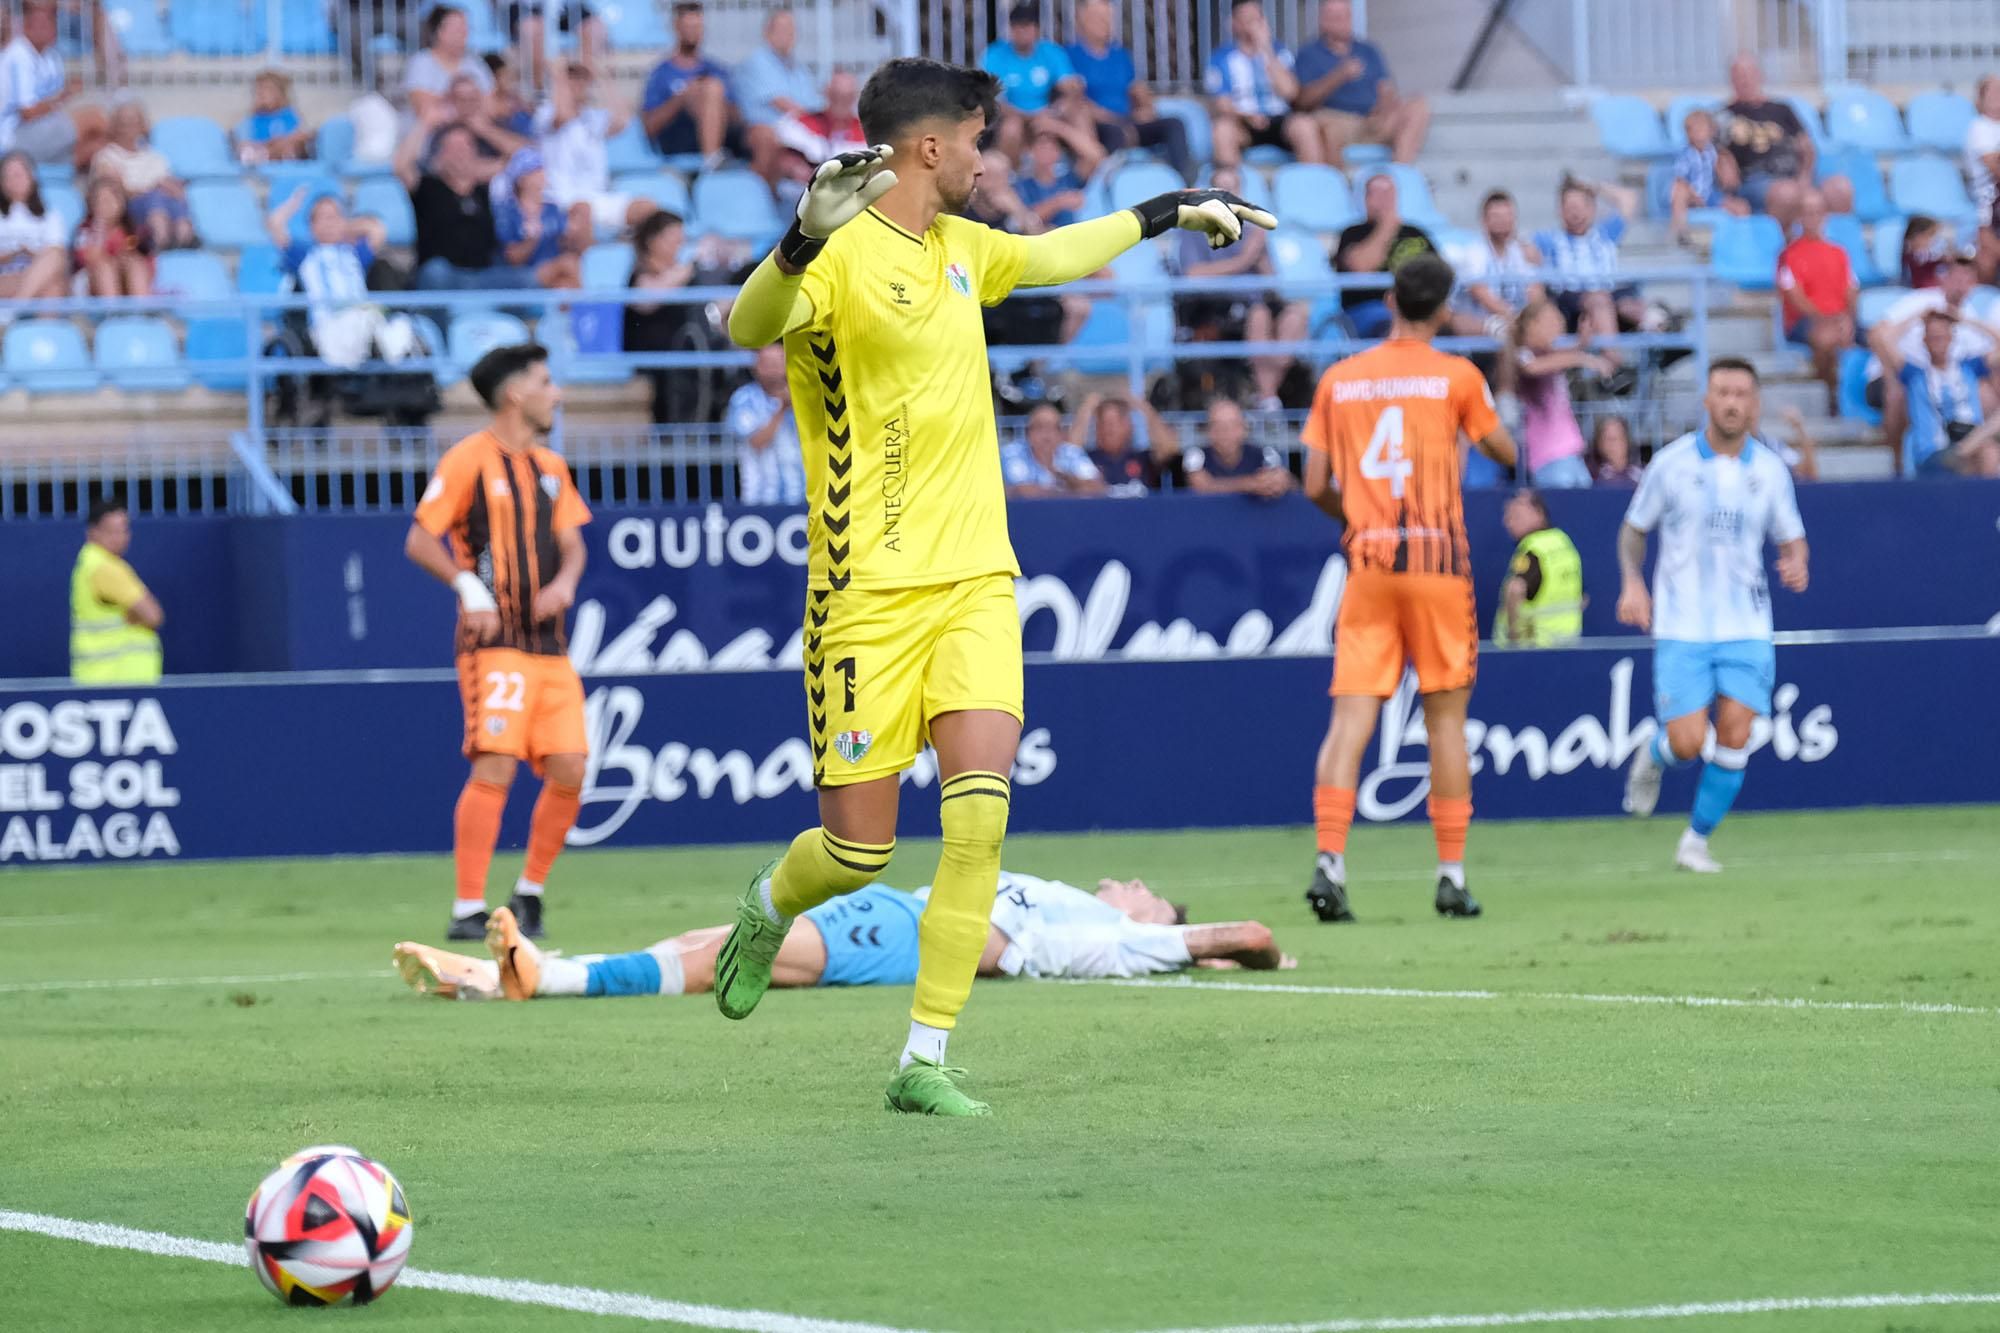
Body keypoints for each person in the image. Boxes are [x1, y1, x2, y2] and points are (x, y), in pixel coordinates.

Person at [720, 56, 1273, 1115]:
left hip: (975, 577)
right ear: (930, 146)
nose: (987, 159)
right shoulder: (834, 252)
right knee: (855, 849)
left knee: (978, 823)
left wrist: (1160, 211)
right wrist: (796, 240)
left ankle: (920, 1058)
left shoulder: (965, 248)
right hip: (864, 593)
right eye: (977, 140)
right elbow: (746, 325)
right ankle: (765, 904)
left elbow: (1055, 252)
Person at [1298, 253, 1518, 922]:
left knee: (1351, 718)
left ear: (1392, 299)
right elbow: (1506, 451)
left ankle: (1330, 862)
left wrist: (1358, 517)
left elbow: (1313, 483)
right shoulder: (1455, 375)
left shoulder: (1341, 377)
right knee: (1445, 719)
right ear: (1445, 308)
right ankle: (1450, 874)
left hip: (1369, 563)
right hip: (1437, 561)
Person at [394, 871, 1291, 1003]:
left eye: (1147, 892)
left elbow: (1247, 931)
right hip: (904, 912)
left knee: (734, 942)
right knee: (717, 940)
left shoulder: (1115, 936)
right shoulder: (1081, 901)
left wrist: (1249, 952)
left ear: (1152, 917)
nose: (1127, 880)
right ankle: (527, 976)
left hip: (919, 931)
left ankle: (542, 978)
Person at [404, 344, 591, 940]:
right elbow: (419, 539)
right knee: (496, 765)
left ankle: (529, 893)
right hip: (495, 644)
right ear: (516, 394)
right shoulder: (468, 461)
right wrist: (468, 587)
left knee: (571, 767)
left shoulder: (551, 468)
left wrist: (564, 583)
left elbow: (575, 543)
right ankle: (466, 908)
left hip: (549, 646)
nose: (555, 392)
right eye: (545, 381)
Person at [1618, 359, 1808, 873]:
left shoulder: (1769, 470)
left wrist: (1796, 559)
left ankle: (1695, 842)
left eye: (1742, 393)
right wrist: (1633, 582)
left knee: (1736, 733)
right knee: (1685, 741)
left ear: (1755, 403)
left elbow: (1791, 534)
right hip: (1682, 625)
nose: (1731, 402)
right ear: (1706, 399)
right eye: (1722, 392)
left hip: (1746, 625)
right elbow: (1634, 528)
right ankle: (1654, 754)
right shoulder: (1672, 464)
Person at [1176, 163, 1307, 408]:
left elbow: (1272, 281)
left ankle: (1269, 387)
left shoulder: (1251, 228)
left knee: (1295, 315)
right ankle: (1269, 397)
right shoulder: (1193, 229)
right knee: (1258, 315)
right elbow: (1193, 274)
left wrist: (1262, 256)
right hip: (1216, 304)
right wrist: (1243, 261)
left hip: (1259, 300)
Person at [269, 188, 409, 369]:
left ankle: (399, 372)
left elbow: (377, 230)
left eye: (334, 216)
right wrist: (292, 205)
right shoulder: (305, 255)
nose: (329, 223)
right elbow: (275, 226)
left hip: (364, 319)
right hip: (329, 325)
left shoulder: (353, 253)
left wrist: (344, 227)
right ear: (312, 225)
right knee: (364, 321)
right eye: (323, 217)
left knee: (401, 324)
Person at [1063, 0, 1193, 181]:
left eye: (1109, 18)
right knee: (1116, 134)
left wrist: (1146, 109)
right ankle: (1102, 189)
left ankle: (1183, 184)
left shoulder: (1120, 55)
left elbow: (1138, 90)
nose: (1107, 24)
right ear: (1081, 20)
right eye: (1100, 18)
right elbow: (1076, 101)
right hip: (1100, 125)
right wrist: (1118, 122)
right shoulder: (1069, 56)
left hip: (1127, 121)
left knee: (1174, 124)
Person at [398, 120, 533, 291]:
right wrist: (426, 121)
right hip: (444, 279)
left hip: (484, 277)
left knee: (530, 279)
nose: (459, 154)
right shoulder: (426, 187)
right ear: (440, 155)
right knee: (435, 272)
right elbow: (401, 166)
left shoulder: (487, 191)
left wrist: (482, 127)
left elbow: (525, 156)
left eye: (465, 146)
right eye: (452, 148)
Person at [1292, 0, 1428, 165]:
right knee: (1329, 131)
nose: (1344, 21)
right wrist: (1339, 75)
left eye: (1347, 16)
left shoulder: (1368, 50)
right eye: (1337, 17)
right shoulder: (1309, 53)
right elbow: (1303, 101)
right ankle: (1338, 186)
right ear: (1324, 21)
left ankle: (1399, 174)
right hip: (1337, 119)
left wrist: (1385, 105)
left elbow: (1386, 87)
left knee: (1418, 105)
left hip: (1372, 120)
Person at [1872, 307, 2000, 479]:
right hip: (1934, 454)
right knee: (1987, 453)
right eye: (1933, 338)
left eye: (1942, 337)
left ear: (1951, 338)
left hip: (1972, 444)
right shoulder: (1915, 375)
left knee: (1988, 450)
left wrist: (1963, 319)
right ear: (1924, 341)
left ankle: (1964, 450)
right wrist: (1918, 316)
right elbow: (1883, 339)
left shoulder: (1968, 368)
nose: (1938, 342)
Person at [538, 61, 654, 240]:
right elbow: (563, 115)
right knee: (583, 211)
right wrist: (559, 76)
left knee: (647, 208)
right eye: (572, 79)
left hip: (598, 197)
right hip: (563, 200)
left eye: (581, 80)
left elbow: (623, 120)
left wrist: (603, 78)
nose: (578, 85)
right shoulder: (545, 114)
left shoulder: (593, 117)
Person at [1509, 296, 1613, 489]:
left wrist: (1581, 344)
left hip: (1570, 454)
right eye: (1551, 321)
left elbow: (1559, 357)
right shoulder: (1522, 354)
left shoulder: (1550, 354)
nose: (1559, 326)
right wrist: (1581, 357)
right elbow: (1532, 367)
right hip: (1549, 459)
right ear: (1532, 325)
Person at [1205, 0, 1322, 168]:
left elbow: (1290, 92)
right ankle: (1230, 188)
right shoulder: (1220, 57)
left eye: (1256, 19)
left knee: (1305, 126)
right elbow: (1222, 104)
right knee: (1222, 131)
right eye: (1246, 19)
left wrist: (1266, 48)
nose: (1252, 25)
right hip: (1243, 120)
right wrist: (1247, 116)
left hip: (1279, 120)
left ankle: (1312, 185)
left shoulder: (1279, 52)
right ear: (1234, 23)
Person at [0, 1, 105, 173]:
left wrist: (65, 97)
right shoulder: (19, 54)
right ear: (26, 26)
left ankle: (46, 174)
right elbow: (28, 112)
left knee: (98, 146)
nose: (43, 28)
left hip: (40, 129)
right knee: (95, 118)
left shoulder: (50, 56)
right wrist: (63, 97)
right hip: (12, 137)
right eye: (37, 23)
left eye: (48, 22)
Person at [1776, 188, 1856, 414]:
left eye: (1817, 212)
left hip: (1839, 318)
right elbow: (1796, 297)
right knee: (1825, 339)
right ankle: (1831, 395)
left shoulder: (1839, 252)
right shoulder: (1789, 254)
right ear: (1799, 217)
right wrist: (1828, 320)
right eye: (1807, 212)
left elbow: (1851, 290)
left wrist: (1846, 319)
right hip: (1805, 322)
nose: (1812, 217)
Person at [1533, 176, 1644, 338]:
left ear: (1592, 209)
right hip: (1569, 301)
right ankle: (1612, 357)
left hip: (1609, 295)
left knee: (1636, 307)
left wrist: (1596, 186)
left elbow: (1629, 199)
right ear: (1560, 210)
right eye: (1570, 207)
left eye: (1581, 206)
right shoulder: (1548, 239)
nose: (1576, 213)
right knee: (1598, 300)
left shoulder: (1605, 233)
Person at [1718, 53, 1816, 231]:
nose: (1745, 80)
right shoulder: (1723, 115)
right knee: (1787, 193)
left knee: (1840, 189)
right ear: (1732, 80)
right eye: (1739, 75)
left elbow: (1807, 149)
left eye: (1749, 74)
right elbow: (1714, 154)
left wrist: (1805, 177)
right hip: (1755, 181)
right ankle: (1782, 249)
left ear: (1760, 76)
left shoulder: (1783, 109)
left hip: (1793, 178)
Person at [70, 497, 163, 685]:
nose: (120, 537)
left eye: (124, 530)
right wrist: (133, 617)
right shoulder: (105, 568)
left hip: (103, 680)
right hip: (118, 680)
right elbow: (154, 615)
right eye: (111, 531)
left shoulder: (89, 563)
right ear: (92, 533)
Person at [1333, 172, 1435, 338]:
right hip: (1370, 311)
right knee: (1390, 324)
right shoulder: (1352, 233)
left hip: (1416, 308)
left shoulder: (1415, 233)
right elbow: (1361, 268)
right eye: (1378, 193)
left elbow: (1437, 272)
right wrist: (1387, 226)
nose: (1384, 199)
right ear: (1366, 199)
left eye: (1388, 193)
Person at [640, 2, 741, 167]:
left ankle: (712, 157)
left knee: (712, 88)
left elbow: (736, 117)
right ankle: (712, 160)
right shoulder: (661, 73)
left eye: (697, 27)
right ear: (676, 27)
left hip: (723, 138)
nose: (693, 32)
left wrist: (710, 101)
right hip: (678, 141)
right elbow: (649, 127)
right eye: (688, 27)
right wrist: (682, 98)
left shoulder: (717, 70)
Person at [93, 102, 194, 251]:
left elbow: (173, 188)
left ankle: (184, 241)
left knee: (173, 201)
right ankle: (162, 243)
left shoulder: (155, 157)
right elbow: (114, 193)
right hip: (132, 213)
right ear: (114, 126)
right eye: (123, 123)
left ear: (143, 126)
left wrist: (171, 188)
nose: (128, 128)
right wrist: (153, 187)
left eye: (134, 122)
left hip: (164, 205)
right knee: (155, 199)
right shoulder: (106, 157)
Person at [737, 7, 821, 186]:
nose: (788, 35)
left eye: (791, 30)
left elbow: (815, 106)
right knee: (769, 140)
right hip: (766, 130)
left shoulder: (799, 70)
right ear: (767, 33)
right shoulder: (757, 61)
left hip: (797, 130)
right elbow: (783, 104)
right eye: (782, 30)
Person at [1495, 488, 1582, 647]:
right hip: (1568, 643)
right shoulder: (1563, 541)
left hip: (1534, 645)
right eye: (1507, 516)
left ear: (1539, 513)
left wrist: (1514, 637)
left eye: (1516, 515)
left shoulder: (1533, 549)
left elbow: (1515, 589)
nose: (1508, 522)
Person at [982, 3, 1080, 142]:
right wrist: (1027, 116)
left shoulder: (1051, 51)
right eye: (1017, 26)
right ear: (1010, 28)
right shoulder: (995, 55)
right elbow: (991, 99)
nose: (1022, 31)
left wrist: (1056, 110)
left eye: (1027, 25)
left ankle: (1094, 161)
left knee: (1077, 113)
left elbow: (1071, 86)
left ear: (1037, 29)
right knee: (1012, 128)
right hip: (1011, 117)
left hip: (1047, 115)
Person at [726, 343, 808, 506]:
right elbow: (756, 442)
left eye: (778, 363)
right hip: (760, 498)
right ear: (756, 367)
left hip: (803, 498)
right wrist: (782, 409)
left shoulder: (805, 396)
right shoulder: (744, 399)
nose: (774, 369)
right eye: (768, 364)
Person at [1454, 190, 1542, 335]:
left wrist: (1530, 318)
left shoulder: (1520, 250)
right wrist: (1514, 318)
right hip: (1481, 324)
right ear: (1484, 221)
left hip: (1517, 322)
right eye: (1496, 217)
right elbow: (1479, 291)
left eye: (1508, 216)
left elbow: (1535, 289)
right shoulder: (1474, 251)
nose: (1503, 222)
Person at [493, 151, 580, 289]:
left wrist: (574, 235)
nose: (542, 174)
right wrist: (531, 240)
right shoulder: (508, 213)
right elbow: (513, 259)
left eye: (541, 169)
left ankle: (579, 309)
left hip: (555, 274)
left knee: (564, 285)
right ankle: (590, 308)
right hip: (522, 276)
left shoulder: (553, 209)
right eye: (535, 170)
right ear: (521, 179)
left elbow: (569, 245)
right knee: (568, 263)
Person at [1072, 391, 1180, 495]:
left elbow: (1170, 448)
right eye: (1103, 423)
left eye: (1114, 423)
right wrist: (1086, 410)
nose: (1109, 429)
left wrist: (1143, 406)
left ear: (1128, 426)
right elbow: (1068, 454)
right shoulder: (1089, 461)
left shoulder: (1143, 458)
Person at [404, 5, 494, 125]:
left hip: (474, 136)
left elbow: (492, 106)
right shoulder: (421, 62)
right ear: (440, 32)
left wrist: (447, 103)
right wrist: (470, 103)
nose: (465, 33)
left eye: (466, 28)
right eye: (459, 28)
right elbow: (424, 108)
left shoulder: (475, 63)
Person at [1187, 397, 1292, 497]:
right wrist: (1250, 484)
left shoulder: (1264, 454)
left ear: (1244, 429)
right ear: (1208, 431)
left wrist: (1280, 481)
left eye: (1232, 425)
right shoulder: (1196, 455)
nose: (1225, 431)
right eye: (1217, 425)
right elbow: (1202, 486)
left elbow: (1285, 482)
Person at [1670, 108, 1746, 244]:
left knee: (1740, 207)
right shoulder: (1685, 154)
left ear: (1711, 132)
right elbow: (1680, 178)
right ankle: (1680, 231)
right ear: (1688, 133)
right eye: (1694, 130)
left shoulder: (1713, 152)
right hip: (1690, 195)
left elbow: (1721, 175)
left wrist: (1727, 172)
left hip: (1709, 194)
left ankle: (1741, 241)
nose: (1699, 133)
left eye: (1702, 129)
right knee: (1679, 191)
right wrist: (1693, 194)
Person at [0, 149, 67, 299]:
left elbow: (56, 257)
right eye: (7, 176)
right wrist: (13, 253)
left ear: (31, 177)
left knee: (54, 273)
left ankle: (15, 309)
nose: (14, 180)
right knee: (50, 285)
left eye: (18, 174)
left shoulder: (49, 215)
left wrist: (30, 253)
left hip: (37, 274)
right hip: (5, 277)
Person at [1002, 401, 1105, 498]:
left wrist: (1064, 477)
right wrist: (1070, 487)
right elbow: (1022, 491)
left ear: (1061, 434)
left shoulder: (1070, 453)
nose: (1046, 435)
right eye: (1040, 427)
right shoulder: (1012, 453)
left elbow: (1097, 487)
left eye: (1053, 428)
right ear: (1028, 433)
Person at [72, 173, 150, 297]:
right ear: (91, 204)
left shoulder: (132, 230)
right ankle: (112, 312)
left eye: (111, 199)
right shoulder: (85, 229)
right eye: (101, 200)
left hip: (125, 279)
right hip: (90, 282)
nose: (106, 204)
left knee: (135, 264)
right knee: (104, 266)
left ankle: (142, 311)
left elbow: (144, 259)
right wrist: (99, 230)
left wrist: (122, 260)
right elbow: (88, 259)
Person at [505, 1, 606, 92]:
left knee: (595, 27)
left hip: (562, 8)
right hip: (526, 8)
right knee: (532, 29)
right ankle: (539, 90)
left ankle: (582, 89)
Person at [1013, 127, 1099, 232]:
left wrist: (1059, 128)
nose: (1046, 152)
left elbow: (1094, 156)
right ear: (1031, 151)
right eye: (1041, 147)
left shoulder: (1069, 177)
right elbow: (1025, 220)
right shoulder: (1022, 185)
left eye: (1051, 148)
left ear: (1058, 153)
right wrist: (1058, 202)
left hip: (1073, 237)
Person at [234, 69, 311, 164]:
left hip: (284, 156)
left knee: (295, 142)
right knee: (246, 149)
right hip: (260, 153)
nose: (261, 94)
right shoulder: (252, 120)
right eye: (258, 90)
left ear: (281, 94)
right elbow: (242, 142)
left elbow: (300, 136)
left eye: (268, 89)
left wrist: (282, 143)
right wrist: (268, 145)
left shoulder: (289, 115)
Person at [1967, 77, 2000, 282]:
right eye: (1994, 91)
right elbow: (1994, 167)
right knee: (1987, 257)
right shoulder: (1979, 128)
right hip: (1987, 201)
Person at [1588, 414, 1643, 486]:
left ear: (1626, 441)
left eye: (1617, 438)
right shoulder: (1592, 478)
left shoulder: (1641, 475)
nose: (1612, 445)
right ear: (1600, 444)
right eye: (1609, 439)